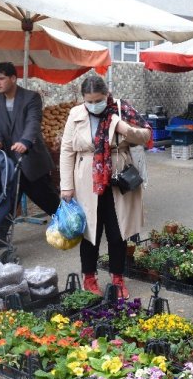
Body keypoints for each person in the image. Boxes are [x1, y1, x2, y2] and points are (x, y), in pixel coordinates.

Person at [59, 75, 151, 299]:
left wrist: (121, 126)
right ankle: (89, 277)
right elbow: (67, 151)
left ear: (107, 94)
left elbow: (146, 136)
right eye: (89, 101)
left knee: (117, 232)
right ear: (83, 99)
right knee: (89, 231)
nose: (94, 105)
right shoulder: (76, 114)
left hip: (118, 178)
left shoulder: (122, 109)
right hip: (86, 180)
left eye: (98, 100)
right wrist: (66, 186)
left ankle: (117, 278)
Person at [0, 62, 59, 217]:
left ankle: (69, 227)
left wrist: (25, 141)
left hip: (31, 159)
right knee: (6, 202)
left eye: (1, 78)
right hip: (8, 162)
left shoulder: (31, 98)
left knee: (49, 201)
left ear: (13, 78)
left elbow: (33, 122)